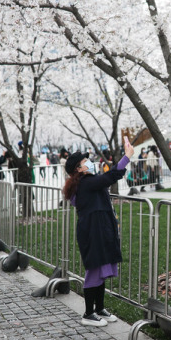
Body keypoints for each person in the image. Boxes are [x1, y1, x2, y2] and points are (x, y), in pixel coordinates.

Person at [62, 139, 134, 327]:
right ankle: (88, 313)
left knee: (101, 269)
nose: (89, 162)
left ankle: (99, 308)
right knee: (94, 271)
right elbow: (109, 177)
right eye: (85, 161)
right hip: (92, 233)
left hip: (99, 230)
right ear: (79, 169)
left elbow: (106, 179)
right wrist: (127, 157)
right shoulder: (86, 183)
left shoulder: (87, 182)